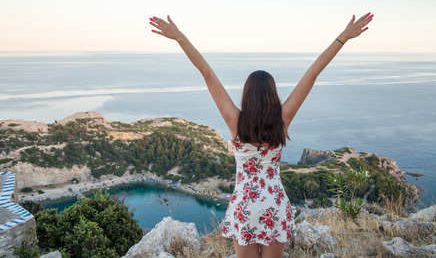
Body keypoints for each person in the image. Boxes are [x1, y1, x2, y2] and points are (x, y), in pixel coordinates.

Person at [149, 13, 373, 258]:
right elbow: (312, 74)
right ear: (272, 94)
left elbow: (208, 73)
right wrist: (342, 38)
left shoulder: (235, 121)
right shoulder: (282, 120)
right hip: (274, 204)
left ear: (247, 94)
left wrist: (180, 38)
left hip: (245, 206)